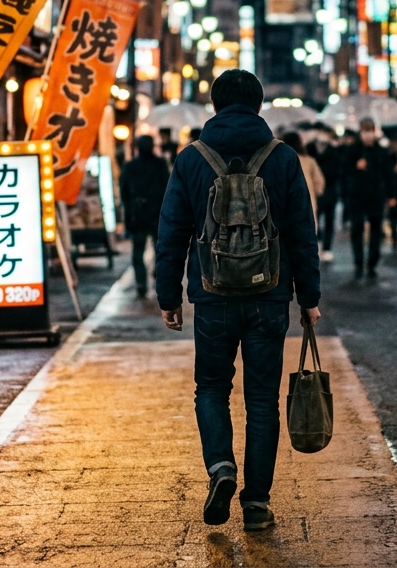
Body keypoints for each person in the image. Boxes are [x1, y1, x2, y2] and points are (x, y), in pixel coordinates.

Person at [155, 69, 321, 533]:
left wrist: (169, 295)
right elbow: (301, 234)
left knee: (210, 388)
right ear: (259, 105)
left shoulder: (191, 159)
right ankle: (257, 503)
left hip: (211, 297)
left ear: (214, 106)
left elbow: (172, 232)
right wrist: (309, 296)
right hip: (270, 294)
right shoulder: (283, 158)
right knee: (263, 400)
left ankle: (220, 467)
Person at [341, 118, 396, 279]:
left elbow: (388, 174)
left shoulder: (381, 151)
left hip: (376, 197)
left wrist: (391, 195)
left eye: (370, 131)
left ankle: (372, 261)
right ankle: (358, 261)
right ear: (360, 132)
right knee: (357, 228)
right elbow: (344, 171)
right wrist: (355, 167)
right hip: (357, 196)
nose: (368, 135)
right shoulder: (353, 150)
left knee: (376, 229)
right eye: (365, 131)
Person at [120, 135, 169, 298]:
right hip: (158, 214)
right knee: (160, 251)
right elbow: (168, 189)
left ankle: (141, 283)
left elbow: (124, 194)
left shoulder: (130, 166)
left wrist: (127, 216)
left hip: (137, 215)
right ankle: (158, 277)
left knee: (138, 252)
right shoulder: (160, 165)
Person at [282, 131, 326, 223]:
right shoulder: (309, 161)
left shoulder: (280, 160)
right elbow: (319, 182)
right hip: (307, 203)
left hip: (284, 205)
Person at [312, 134, 342, 260]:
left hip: (330, 190)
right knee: (315, 218)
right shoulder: (310, 148)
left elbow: (338, 170)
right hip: (314, 191)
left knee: (329, 219)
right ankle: (318, 241)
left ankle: (327, 247)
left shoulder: (333, 150)